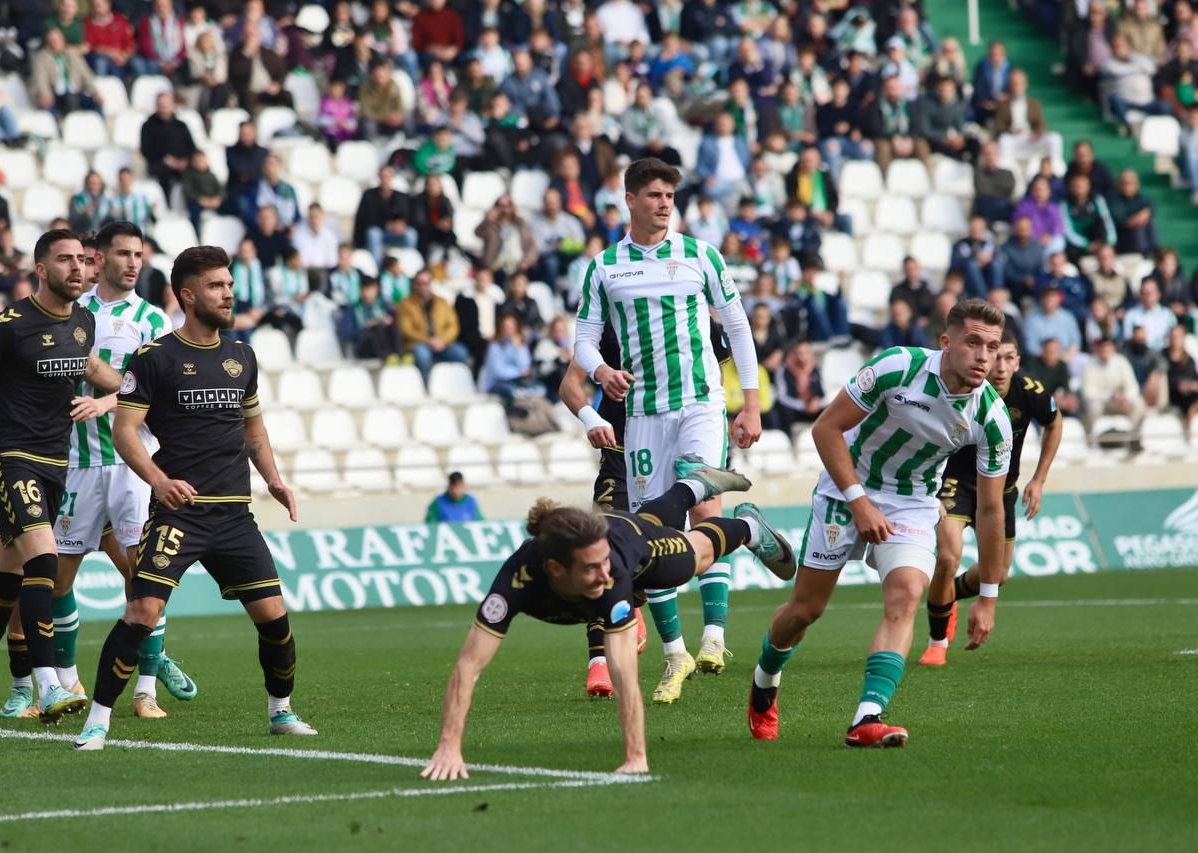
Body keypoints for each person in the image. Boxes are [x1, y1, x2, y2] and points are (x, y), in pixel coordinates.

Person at [74, 244, 313, 749]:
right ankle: (98, 720)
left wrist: (274, 479)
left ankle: (281, 712)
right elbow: (125, 431)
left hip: (234, 516)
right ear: (188, 295)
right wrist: (159, 481)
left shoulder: (241, 356)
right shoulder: (155, 358)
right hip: (178, 515)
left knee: (274, 617)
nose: (228, 293)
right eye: (216, 286)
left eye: (229, 285)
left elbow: (254, 430)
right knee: (142, 612)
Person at [746, 299, 1013, 748]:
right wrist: (858, 502)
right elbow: (825, 430)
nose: (984, 356)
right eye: (973, 343)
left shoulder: (991, 417)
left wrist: (988, 595)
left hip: (911, 503)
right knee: (806, 610)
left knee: (908, 592)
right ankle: (765, 678)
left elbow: (990, 510)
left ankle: (867, 716)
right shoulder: (896, 367)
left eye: (992, 346)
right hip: (845, 485)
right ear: (946, 344)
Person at [420, 462, 791, 780]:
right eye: (590, 568)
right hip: (626, 530)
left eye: (604, 564)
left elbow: (624, 674)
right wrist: (449, 748)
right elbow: (468, 666)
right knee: (643, 519)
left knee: (697, 556)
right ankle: (694, 484)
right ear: (555, 569)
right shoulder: (515, 582)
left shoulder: (611, 575)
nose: (604, 575)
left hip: (637, 547)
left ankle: (748, 527)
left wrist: (636, 757)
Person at [574, 157, 763, 703]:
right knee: (647, 536)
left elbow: (738, 328)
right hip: (643, 416)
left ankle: (714, 636)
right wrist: (601, 370)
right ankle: (675, 653)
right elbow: (583, 340)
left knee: (703, 503)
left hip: (702, 403)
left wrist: (749, 405)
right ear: (629, 198)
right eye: (653, 194)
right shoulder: (606, 267)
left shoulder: (700, 255)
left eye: (669, 196)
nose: (663, 203)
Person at [0, 229, 124, 728]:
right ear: (41, 269)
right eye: (65, 260)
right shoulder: (7, 327)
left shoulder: (82, 321)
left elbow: (92, 367)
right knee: (45, 558)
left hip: (54, 465)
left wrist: (124, 390)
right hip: (9, 458)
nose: (77, 268)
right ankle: (50, 683)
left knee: (6, 586)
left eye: (82, 259)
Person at [12, 221, 196, 722]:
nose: (133, 262)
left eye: (139, 253)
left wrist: (109, 401)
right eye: (123, 253)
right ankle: (66, 683)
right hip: (74, 463)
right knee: (56, 580)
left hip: (133, 463)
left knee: (145, 579)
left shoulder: (153, 318)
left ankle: (145, 690)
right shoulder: (75, 311)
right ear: (100, 258)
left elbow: (158, 389)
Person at [919, 331, 1062, 666]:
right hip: (956, 482)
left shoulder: (1030, 392)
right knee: (947, 557)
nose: (1000, 366)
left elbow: (1054, 424)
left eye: (1009, 358)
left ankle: (947, 594)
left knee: (997, 574)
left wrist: (1038, 479)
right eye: (996, 357)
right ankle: (937, 642)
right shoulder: (965, 389)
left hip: (1001, 490)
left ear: (1018, 362)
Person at [396, 269, 471, 382]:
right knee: (422, 355)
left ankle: (454, 384)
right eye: (419, 283)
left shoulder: (442, 302)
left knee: (461, 352)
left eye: (426, 283)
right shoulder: (406, 304)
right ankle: (424, 386)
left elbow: (453, 326)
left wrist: (442, 340)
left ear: (431, 283)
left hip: (442, 344)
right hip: (419, 344)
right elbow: (406, 329)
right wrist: (428, 340)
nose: (423, 287)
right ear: (415, 285)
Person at [140, 93, 197, 201]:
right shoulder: (148, 126)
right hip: (160, 164)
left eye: (166, 104)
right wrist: (166, 160)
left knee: (196, 173)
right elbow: (146, 149)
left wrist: (185, 161)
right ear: (156, 106)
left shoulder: (181, 125)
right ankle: (167, 207)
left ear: (173, 105)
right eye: (161, 105)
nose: (164, 107)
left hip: (182, 165)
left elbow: (192, 147)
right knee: (165, 175)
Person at [1165, 325, 1198, 431]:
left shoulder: (1189, 359)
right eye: (1174, 336)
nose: (1176, 340)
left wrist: (1191, 386)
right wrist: (1180, 385)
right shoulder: (1163, 356)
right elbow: (1167, 381)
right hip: (1173, 395)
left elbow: (1194, 379)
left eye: (1178, 337)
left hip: (1190, 396)